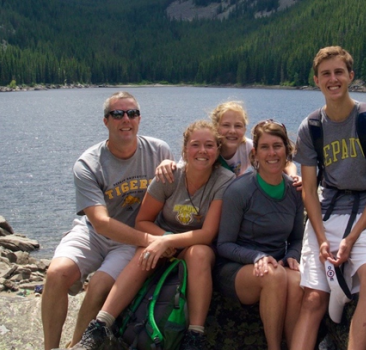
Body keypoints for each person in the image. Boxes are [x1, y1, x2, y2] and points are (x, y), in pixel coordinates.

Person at [74, 120, 235, 350]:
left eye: (209, 145)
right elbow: (143, 221)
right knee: (145, 253)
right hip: (161, 238)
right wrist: (162, 239)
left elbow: (208, 233)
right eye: (195, 145)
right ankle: (100, 326)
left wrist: (167, 240)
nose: (202, 151)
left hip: (194, 244)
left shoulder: (223, 181)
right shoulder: (169, 176)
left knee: (199, 254)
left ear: (218, 150)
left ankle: (195, 336)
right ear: (184, 149)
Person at [41, 91, 173, 350]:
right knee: (56, 274)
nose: (126, 119)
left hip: (128, 240)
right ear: (106, 121)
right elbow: (100, 222)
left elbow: (186, 182)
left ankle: (77, 345)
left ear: (139, 118)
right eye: (118, 114)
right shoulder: (88, 163)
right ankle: (50, 347)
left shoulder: (159, 151)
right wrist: (153, 240)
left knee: (99, 285)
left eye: (132, 113)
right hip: (94, 233)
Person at [291, 46, 366, 350]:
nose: (333, 79)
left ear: (351, 76)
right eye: (326, 74)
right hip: (328, 214)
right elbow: (310, 191)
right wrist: (323, 238)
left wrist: (352, 239)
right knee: (313, 298)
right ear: (316, 80)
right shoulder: (311, 128)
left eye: (339, 72)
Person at [215, 119, 305, 350]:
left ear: (287, 150)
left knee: (296, 280)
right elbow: (223, 244)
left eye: (277, 146)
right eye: (264, 147)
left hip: (276, 264)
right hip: (237, 267)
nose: (272, 153)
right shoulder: (240, 190)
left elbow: (296, 238)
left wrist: (293, 255)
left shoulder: (294, 191)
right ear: (255, 153)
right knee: (274, 276)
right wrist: (256, 257)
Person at [155, 101, 302, 188]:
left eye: (238, 126)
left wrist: (293, 175)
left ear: (244, 129)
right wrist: (168, 163)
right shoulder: (206, 149)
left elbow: (286, 163)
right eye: (226, 125)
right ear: (216, 127)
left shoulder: (248, 147)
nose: (232, 131)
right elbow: (183, 167)